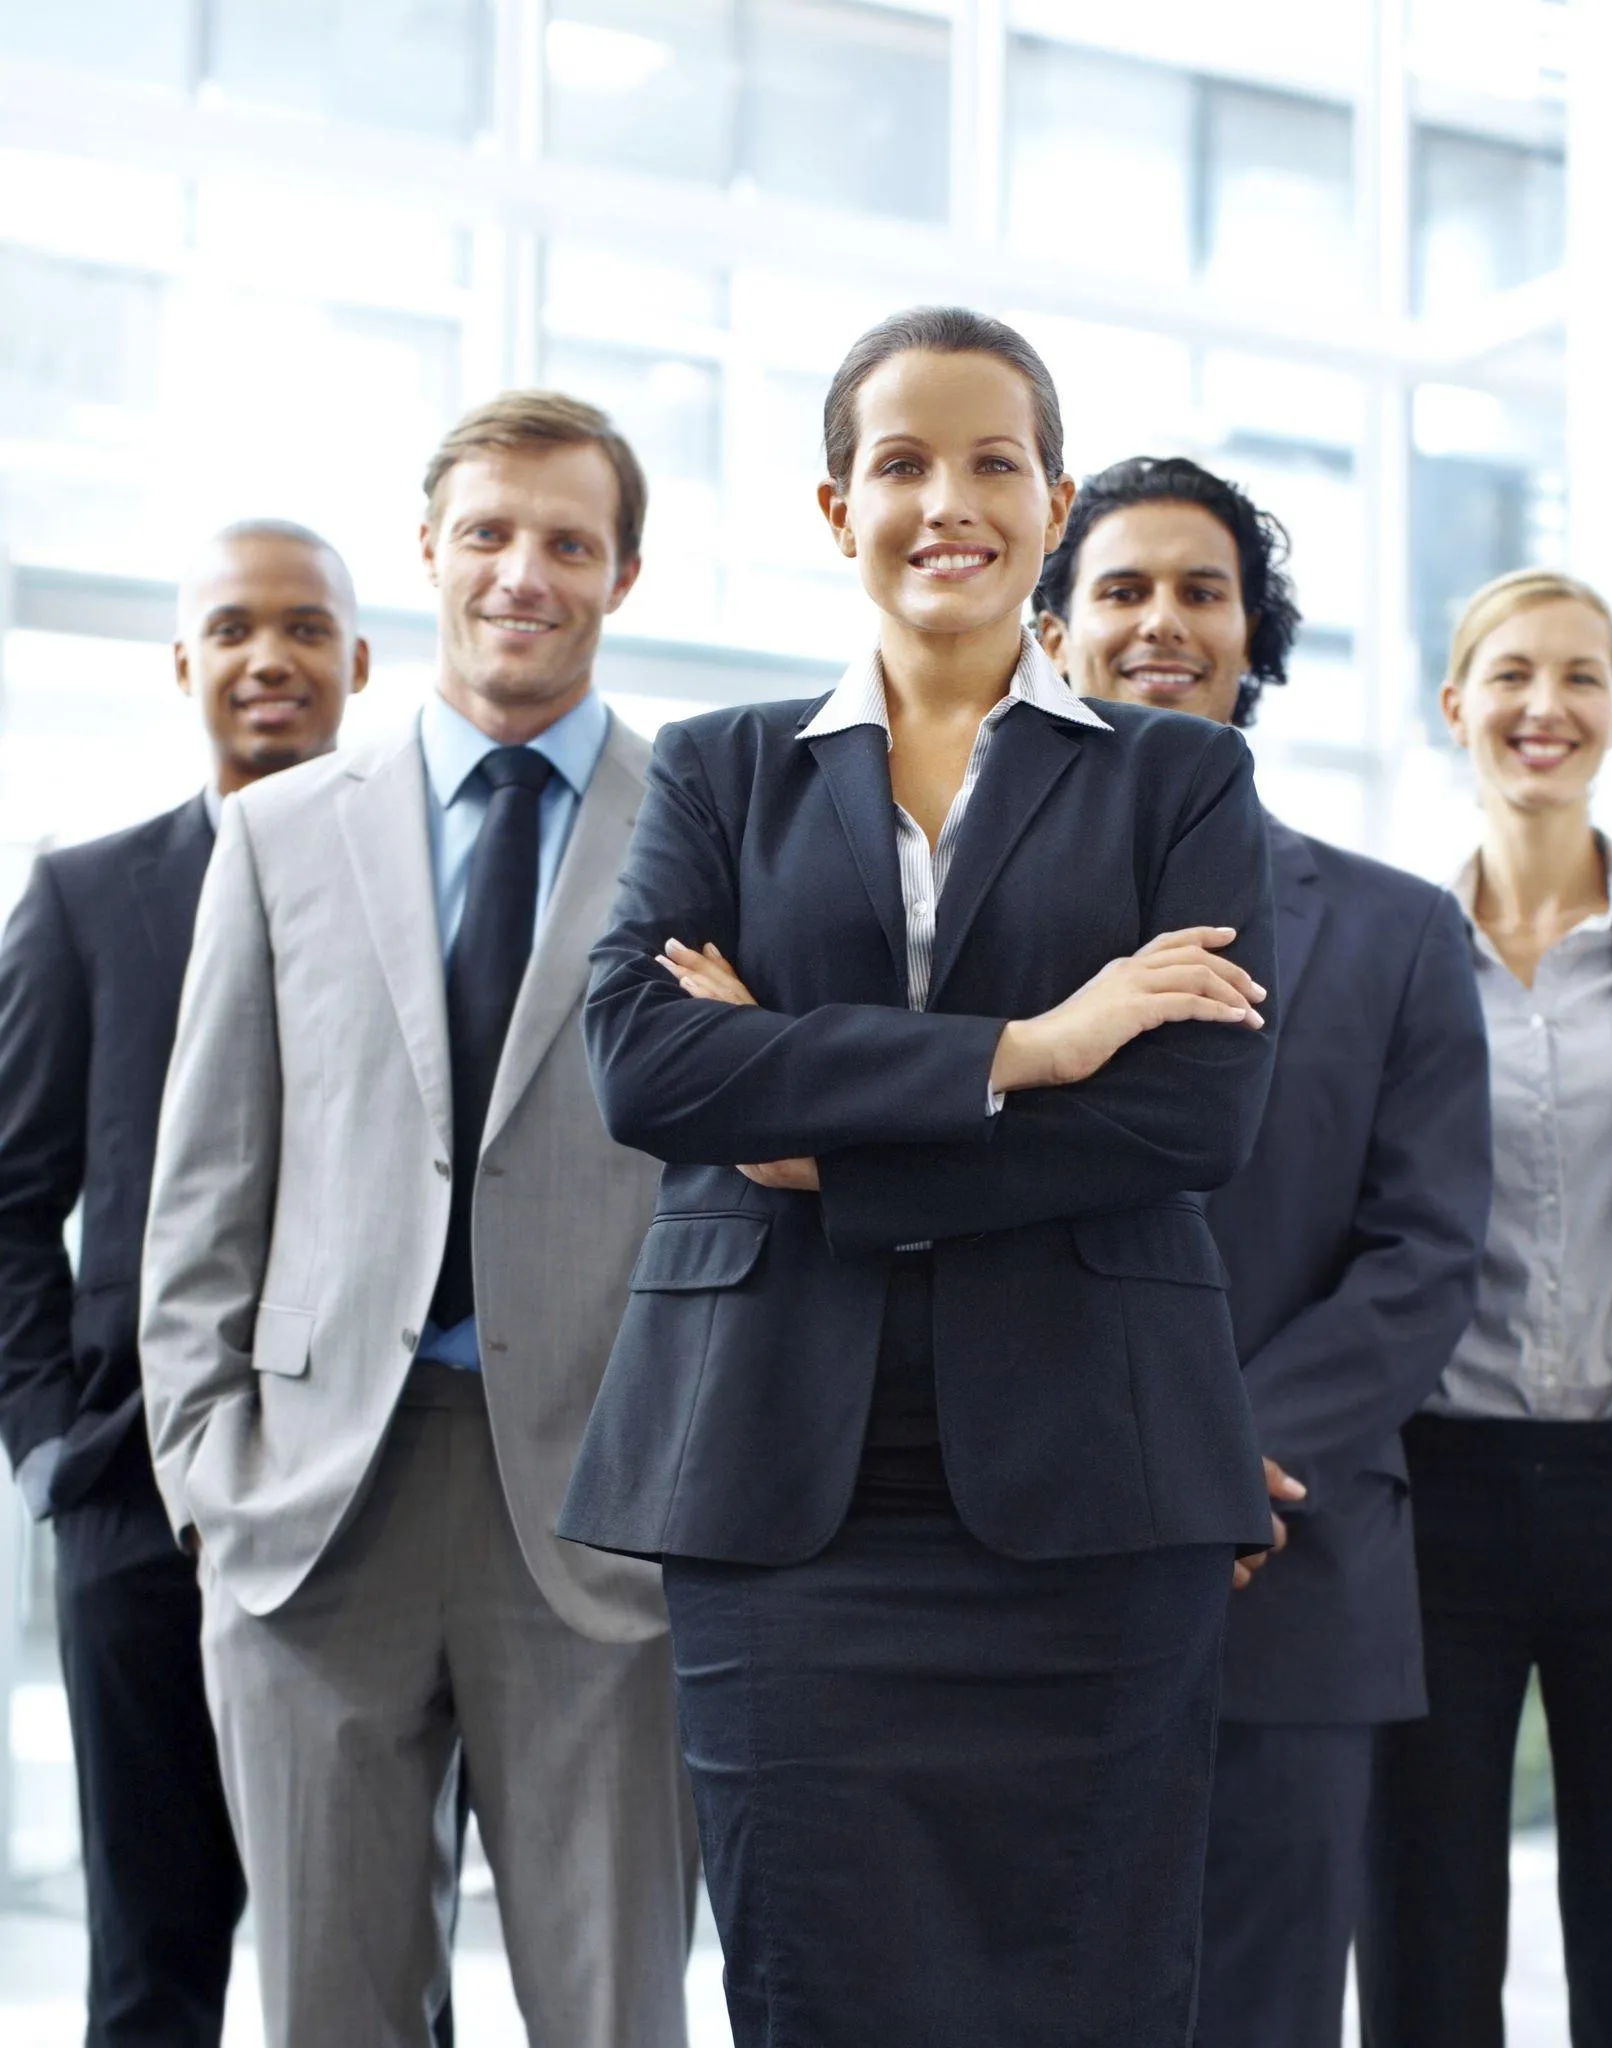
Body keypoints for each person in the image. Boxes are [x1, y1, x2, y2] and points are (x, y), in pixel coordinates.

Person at [554, 307, 1280, 2048]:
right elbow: (647, 1066)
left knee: (1097, 1991)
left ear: (1053, 502)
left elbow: (1191, 1117)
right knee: (813, 1983)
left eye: (992, 463)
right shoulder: (719, 766)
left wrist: (825, 1140)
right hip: (776, 1486)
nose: (947, 502)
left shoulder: (1180, 776)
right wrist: (1032, 1046)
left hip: (1098, 1485)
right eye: (901, 464)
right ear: (837, 508)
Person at [138, 392, 699, 2048]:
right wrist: (210, 1474)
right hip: (313, 1519)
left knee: (616, 2016)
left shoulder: (709, 832)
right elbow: (205, 1194)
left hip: (607, 1515)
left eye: (569, 542)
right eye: (489, 534)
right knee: (331, 2013)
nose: (525, 573)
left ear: (624, 574)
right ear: (430, 554)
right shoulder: (278, 833)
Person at [1036, 454, 1492, 2048]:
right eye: (1122, 588)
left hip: (1287, 1571)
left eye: (1203, 591)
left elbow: (1427, 1249)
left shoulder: (1395, 929)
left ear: (1254, 637)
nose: (1163, 620)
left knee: (1263, 2015)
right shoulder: (958, 914)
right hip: (1008, 1560)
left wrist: (1225, 1452)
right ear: (1054, 631)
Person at [1358, 568, 1612, 2048]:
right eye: (1514, 674)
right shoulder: (1388, 947)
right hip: (1429, 1503)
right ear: (1455, 703)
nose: (1547, 705)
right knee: (1420, 1959)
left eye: (1582, 675)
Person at [0, 521, 366, 2046]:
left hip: (370, 1497)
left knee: (372, 1957)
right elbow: (11, 1197)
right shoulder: (84, 898)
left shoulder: (422, 889)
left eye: (303, 628)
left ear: (358, 661)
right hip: (133, 1495)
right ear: (183, 664)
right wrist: (50, 1447)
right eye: (232, 628)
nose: (268, 658)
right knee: (151, 1972)